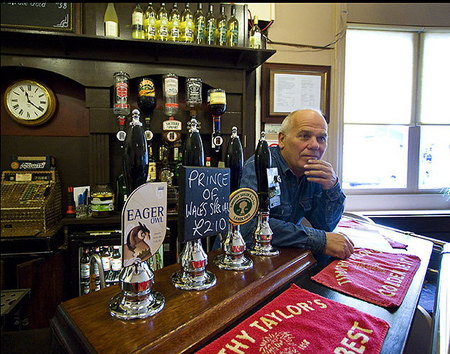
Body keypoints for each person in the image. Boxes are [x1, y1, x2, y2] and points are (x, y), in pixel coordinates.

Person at [239, 109, 354, 260]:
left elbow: (325, 225)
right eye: (304, 136)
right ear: (282, 140)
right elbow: (246, 228)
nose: (314, 145)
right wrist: (318, 240)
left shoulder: (313, 172)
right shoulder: (260, 165)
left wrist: (332, 187)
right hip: (245, 261)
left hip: (281, 259)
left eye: (321, 138)